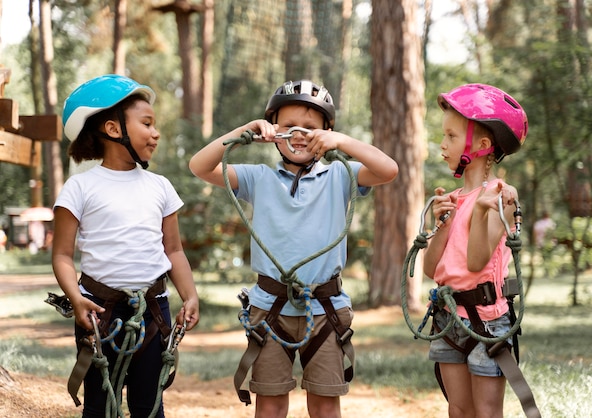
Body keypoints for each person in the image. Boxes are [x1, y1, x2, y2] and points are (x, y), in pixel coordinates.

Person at [189, 80, 398, 418]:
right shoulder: (258, 178)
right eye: (288, 127)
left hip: (326, 309)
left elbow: (389, 170)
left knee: (326, 403)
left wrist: (342, 142)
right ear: (273, 130)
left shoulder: (340, 176)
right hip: (270, 308)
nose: (299, 134)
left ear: (326, 132)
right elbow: (200, 166)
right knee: (270, 403)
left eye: (312, 128)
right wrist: (246, 131)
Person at [52, 74, 200, 418]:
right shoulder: (80, 188)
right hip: (99, 312)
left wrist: (190, 295)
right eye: (146, 123)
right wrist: (75, 299)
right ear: (114, 129)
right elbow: (61, 254)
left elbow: (173, 250)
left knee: (150, 407)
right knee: (101, 407)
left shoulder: (161, 187)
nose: (156, 132)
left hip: (153, 311)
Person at [423, 83, 528, 418]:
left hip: (486, 320)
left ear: (482, 146)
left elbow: (476, 260)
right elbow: (430, 269)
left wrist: (482, 212)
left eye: (452, 136)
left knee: (486, 412)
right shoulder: (452, 199)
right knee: (458, 410)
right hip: (448, 316)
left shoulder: (502, 197)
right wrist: (442, 222)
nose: (443, 144)